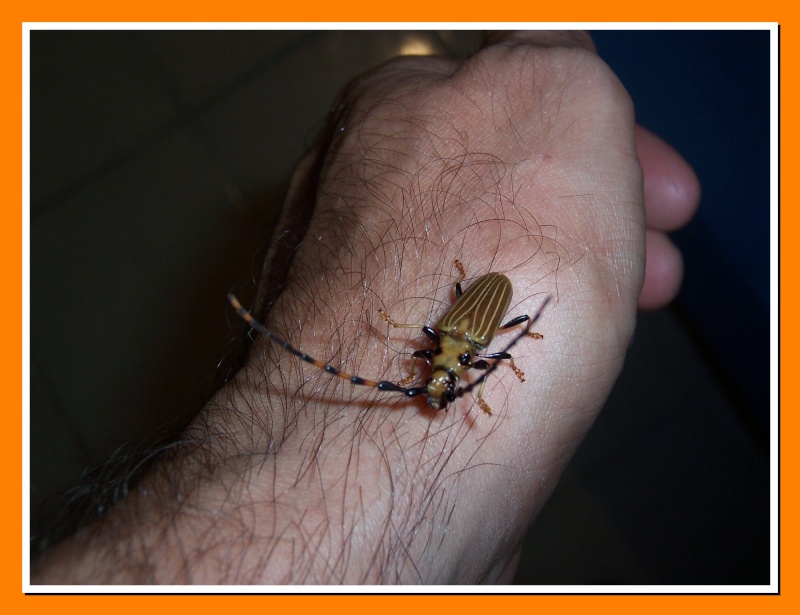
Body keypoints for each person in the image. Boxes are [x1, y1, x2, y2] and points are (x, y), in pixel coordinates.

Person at [32, 30, 699, 584]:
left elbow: (469, 350)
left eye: (439, 376)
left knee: (499, 340)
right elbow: (467, 358)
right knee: (497, 341)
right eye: (444, 377)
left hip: (482, 304)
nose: (436, 378)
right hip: (482, 311)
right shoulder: (454, 351)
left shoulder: (453, 345)